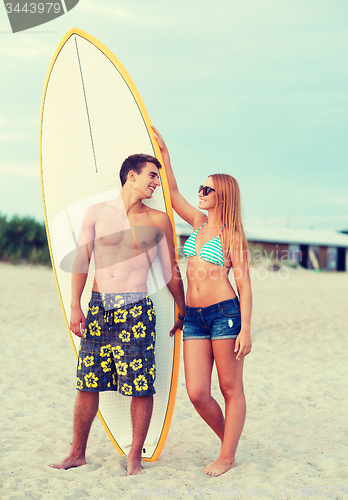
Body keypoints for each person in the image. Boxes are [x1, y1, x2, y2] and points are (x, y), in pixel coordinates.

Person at [50, 153, 186, 475]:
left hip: (136, 310)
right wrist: (75, 305)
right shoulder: (96, 213)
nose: (156, 183)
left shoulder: (158, 220)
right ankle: (76, 453)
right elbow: (82, 261)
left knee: (141, 385)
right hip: (98, 308)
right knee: (87, 383)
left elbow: (170, 270)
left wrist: (183, 306)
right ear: (131, 177)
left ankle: (134, 458)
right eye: (152, 175)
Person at [153, 127, 252, 477]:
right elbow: (174, 192)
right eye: (202, 186)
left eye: (208, 189)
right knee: (196, 392)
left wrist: (247, 330)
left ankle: (226, 456)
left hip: (225, 314)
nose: (201, 192)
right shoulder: (197, 222)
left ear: (222, 195)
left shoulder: (231, 235)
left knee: (229, 388)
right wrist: (164, 155)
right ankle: (230, 444)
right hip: (194, 316)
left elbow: (244, 283)